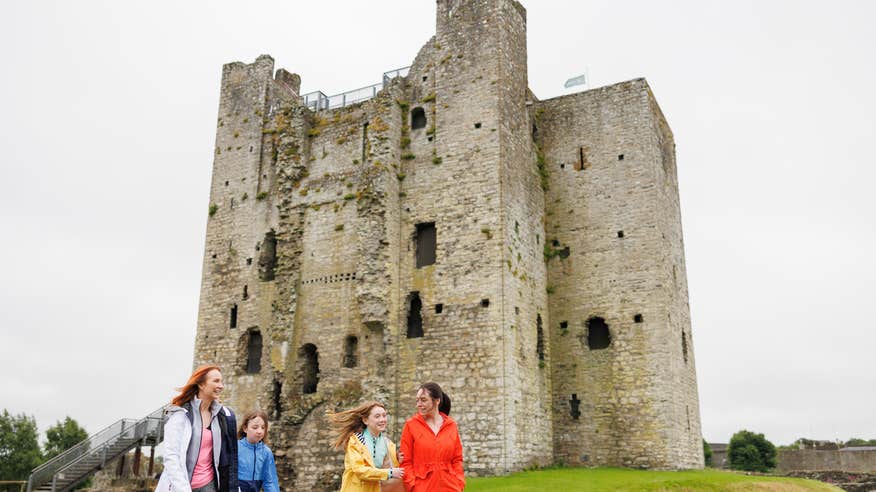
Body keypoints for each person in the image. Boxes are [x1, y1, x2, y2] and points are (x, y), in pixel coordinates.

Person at [156, 365, 238, 492]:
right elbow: (171, 456)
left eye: (221, 382)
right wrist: (183, 489)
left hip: (209, 485)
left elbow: (229, 457)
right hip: (181, 487)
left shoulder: (221, 416)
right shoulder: (181, 415)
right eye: (216, 381)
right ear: (201, 384)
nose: (221, 386)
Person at [400, 382, 464, 491]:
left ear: (437, 401)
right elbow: (406, 462)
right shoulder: (411, 426)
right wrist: (413, 486)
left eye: (423, 400)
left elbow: (457, 459)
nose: (418, 404)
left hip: (450, 487)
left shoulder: (451, 425)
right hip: (422, 488)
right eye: (417, 400)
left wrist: (459, 482)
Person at [328, 401, 404, 492]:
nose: (382, 419)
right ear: (365, 420)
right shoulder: (356, 441)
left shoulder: (388, 444)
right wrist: (390, 473)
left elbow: (393, 472)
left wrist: (398, 461)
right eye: (377, 416)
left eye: (384, 415)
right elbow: (360, 470)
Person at [237, 410, 280, 492]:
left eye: (263, 427)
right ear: (245, 428)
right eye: (255, 427)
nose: (259, 431)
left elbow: (270, 481)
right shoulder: (235, 448)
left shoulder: (266, 452)